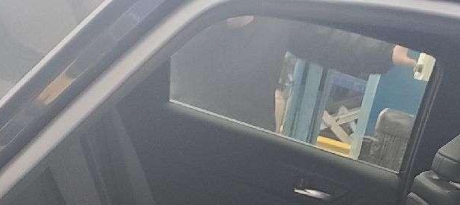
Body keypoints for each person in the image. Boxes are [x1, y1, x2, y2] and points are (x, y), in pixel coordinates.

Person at [169, 16, 400, 132]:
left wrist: (387, 52)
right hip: (183, 128)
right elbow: (168, 48)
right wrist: (223, 23)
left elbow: (328, 41)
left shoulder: (275, 12)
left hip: (248, 137)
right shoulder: (190, 12)